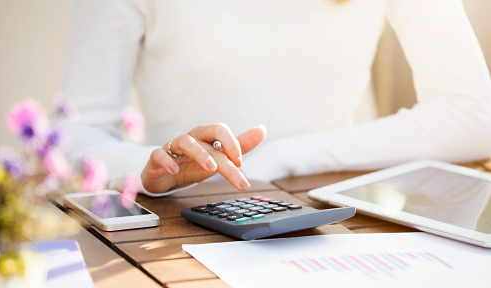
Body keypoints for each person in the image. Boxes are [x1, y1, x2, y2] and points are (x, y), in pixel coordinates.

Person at [61, 0, 491, 196]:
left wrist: (287, 156)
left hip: (332, 220)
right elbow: (73, 135)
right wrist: (148, 167)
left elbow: (475, 116)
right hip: (185, 220)